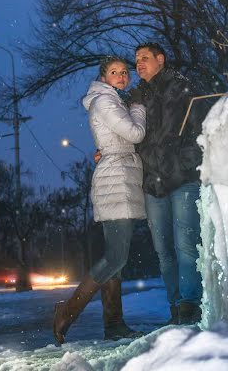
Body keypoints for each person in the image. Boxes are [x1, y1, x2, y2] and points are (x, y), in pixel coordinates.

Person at [53, 56, 146, 344]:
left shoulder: (113, 101)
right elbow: (135, 132)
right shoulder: (106, 102)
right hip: (115, 180)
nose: (121, 76)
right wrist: (139, 108)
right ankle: (67, 310)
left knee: (116, 259)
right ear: (104, 78)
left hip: (119, 177)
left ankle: (114, 324)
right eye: (114, 72)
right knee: (116, 256)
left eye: (124, 72)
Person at [132, 42, 203, 325]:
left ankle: (190, 303)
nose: (139, 63)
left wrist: (186, 163)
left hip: (183, 179)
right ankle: (174, 305)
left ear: (160, 59)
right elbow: (126, 132)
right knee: (163, 250)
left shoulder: (181, 87)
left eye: (145, 58)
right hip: (152, 182)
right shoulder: (136, 96)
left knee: (186, 243)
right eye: (136, 59)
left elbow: (197, 128)